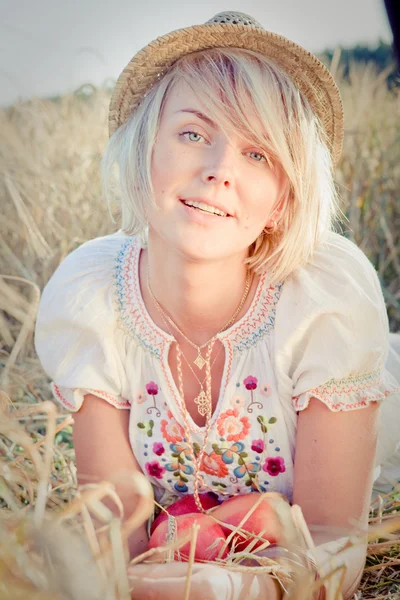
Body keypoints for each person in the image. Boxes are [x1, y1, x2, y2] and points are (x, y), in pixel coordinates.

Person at [34, 11, 400, 600]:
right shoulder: (92, 294)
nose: (219, 170)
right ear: (145, 150)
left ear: (283, 199)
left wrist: (229, 589)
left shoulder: (325, 300)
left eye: (259, 154)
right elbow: (117, 533)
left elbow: (333, 539)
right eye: (193, 134)